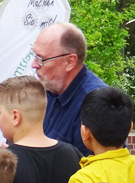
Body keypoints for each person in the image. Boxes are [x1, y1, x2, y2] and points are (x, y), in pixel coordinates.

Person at [31, 22, 107, 156]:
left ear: (70, 61)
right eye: (34, 56)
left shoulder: (97, 105)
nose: (34, 65)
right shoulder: (50, 89)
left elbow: (102, 170)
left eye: (41, 59)